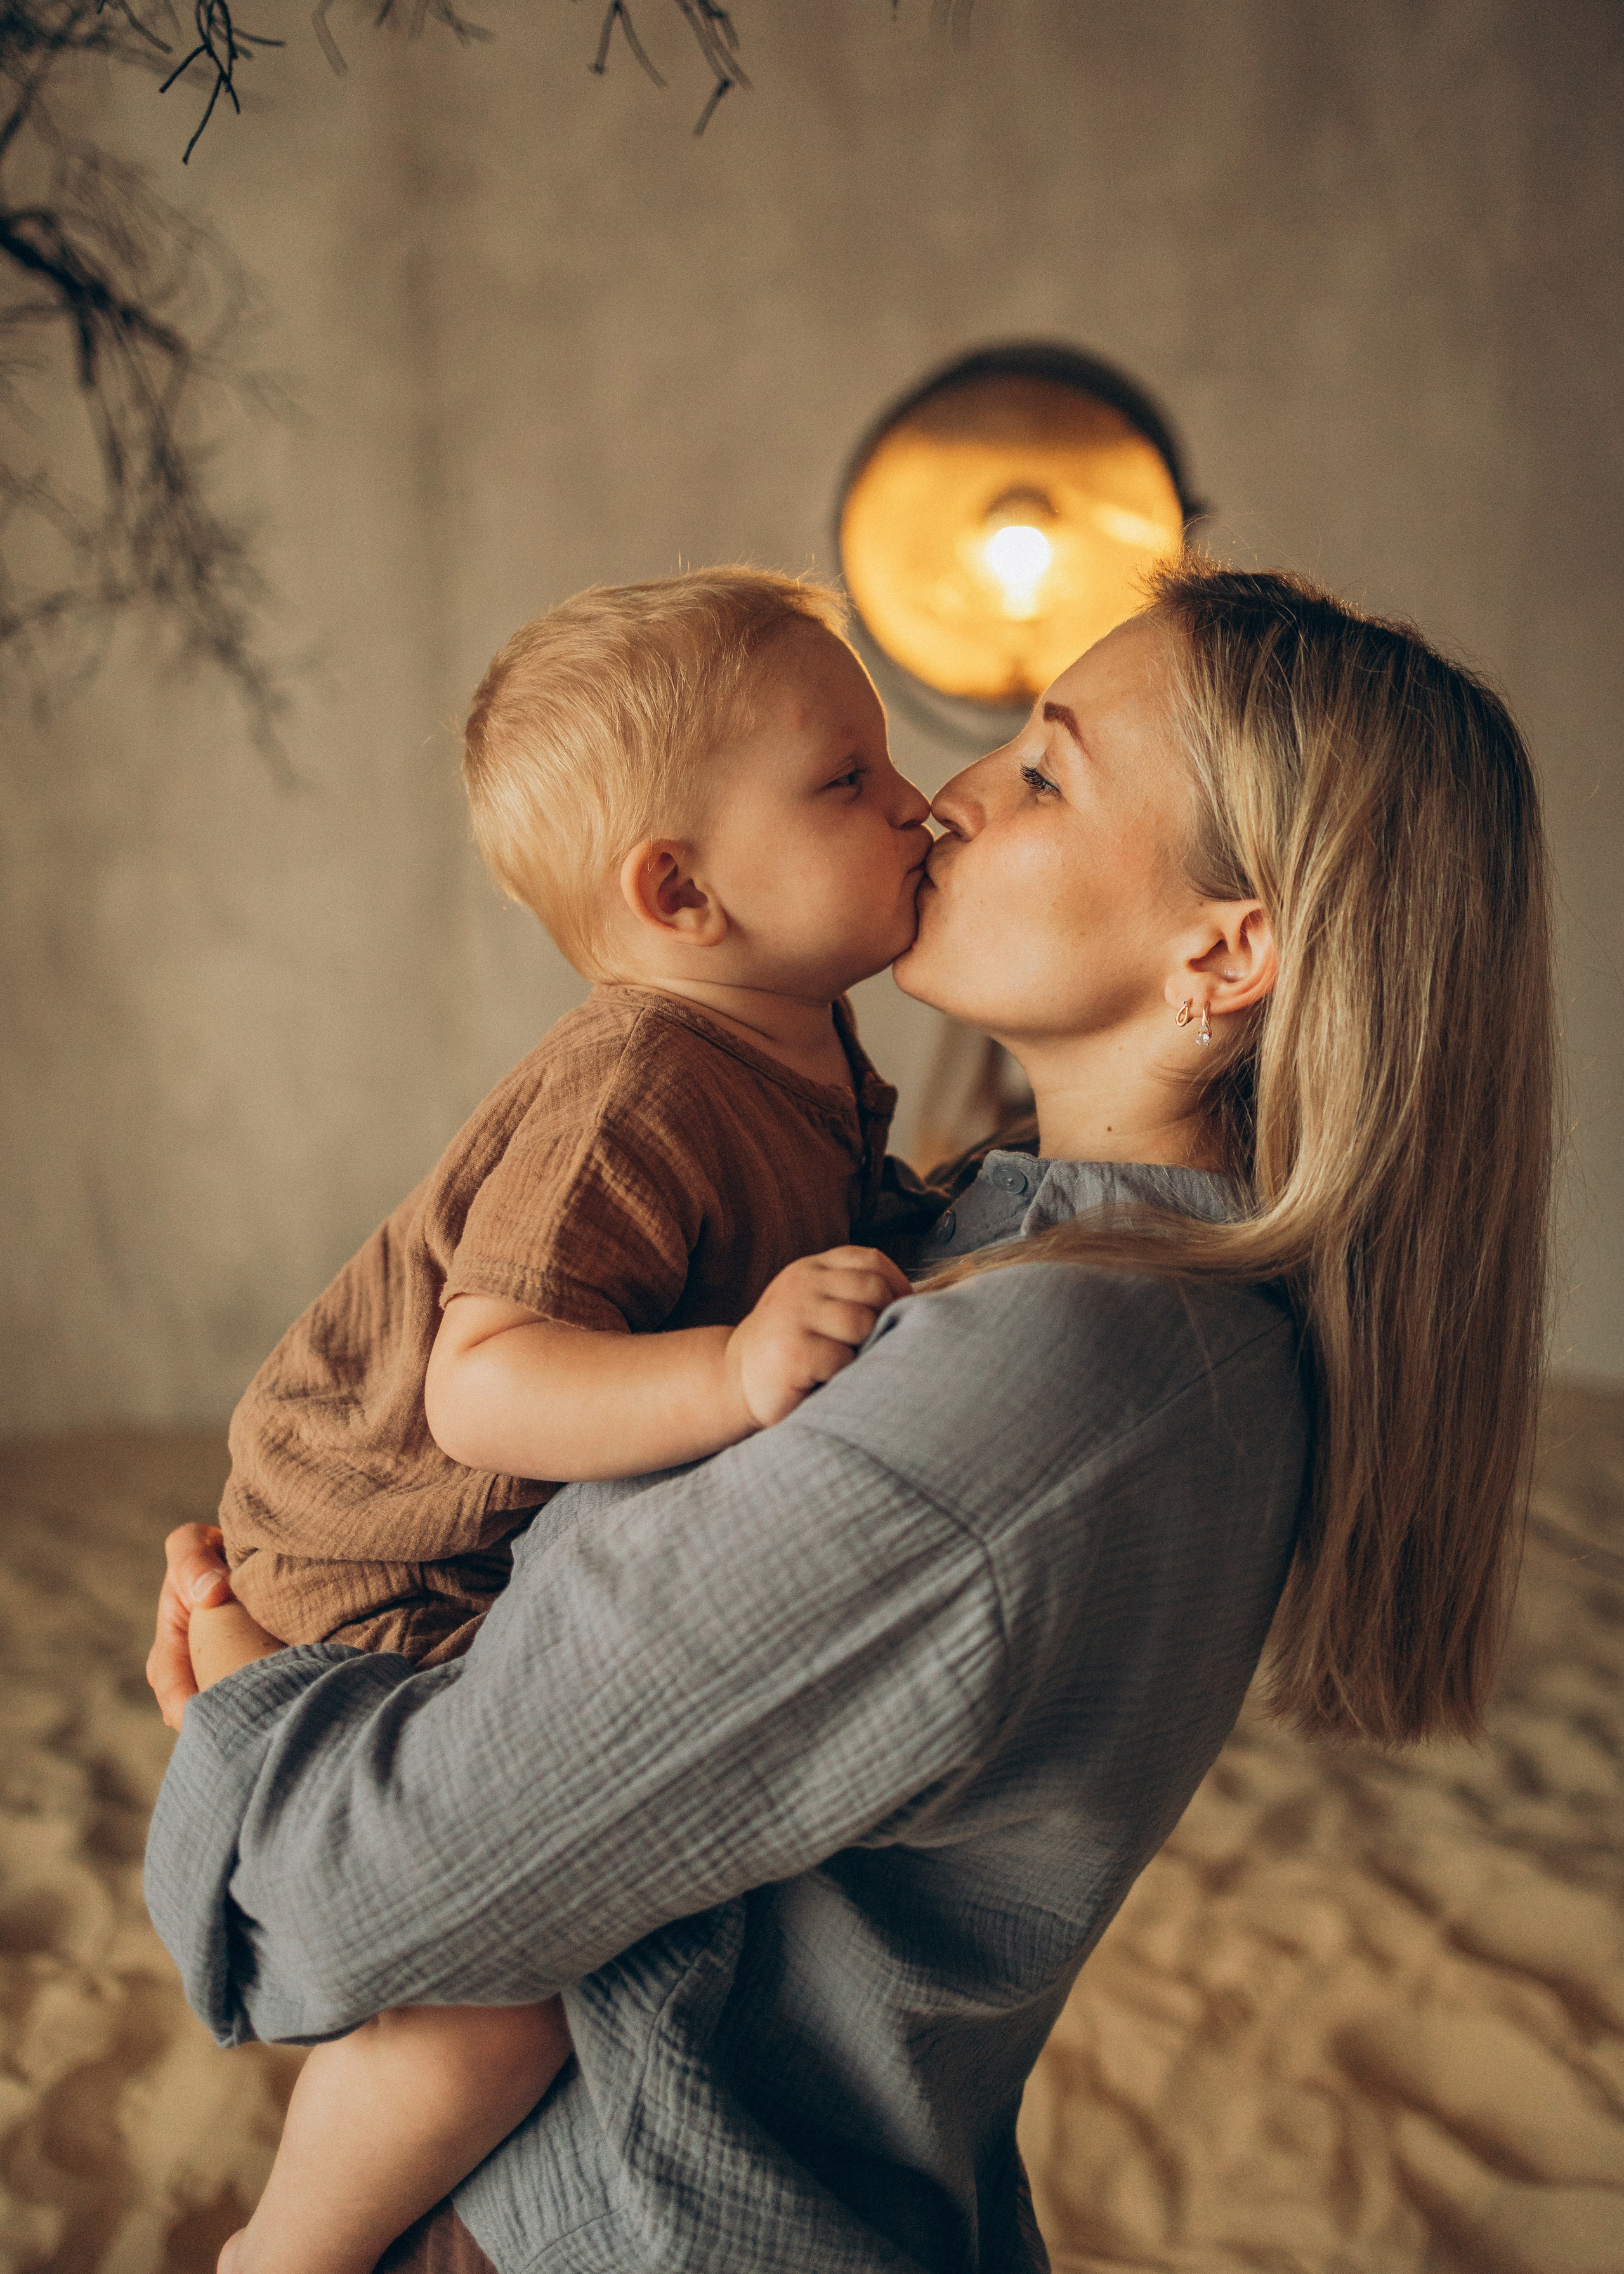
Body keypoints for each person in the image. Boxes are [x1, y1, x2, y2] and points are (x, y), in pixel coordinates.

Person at [146, 558, 1555, 2274]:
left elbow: (359, 1898)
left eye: (1042, 771)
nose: (946, 805)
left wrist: (240, 1686)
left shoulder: (1066, 1378)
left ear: (1228, 948)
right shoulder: (1010, 1252)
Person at [185, 567, 936, 2274]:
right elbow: (488, 1382)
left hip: (484, 1543)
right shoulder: (646, 1079)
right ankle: (280, 2254)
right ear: (679, 893)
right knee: (499, 2015)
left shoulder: (808, 1034)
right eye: (848, 782)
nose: (917, 802)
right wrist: (737, 1370)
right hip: (375, 1538)